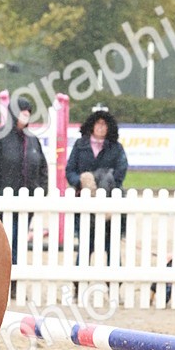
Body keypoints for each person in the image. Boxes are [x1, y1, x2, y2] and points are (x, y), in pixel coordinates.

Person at [0, 96, 49, 264]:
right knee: (5, 242)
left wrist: (41, 190)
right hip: (5, 202)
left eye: (28, 112)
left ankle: (15, 276)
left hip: (27, 203)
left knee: (19, 242)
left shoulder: (32, 140)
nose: (25, 115)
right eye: (22, 112)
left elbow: (42, 167)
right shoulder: (0, 136)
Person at [65, 109, 128, 263]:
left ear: (109, 127)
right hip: (85, 202)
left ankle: (113, 281)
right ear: (91, 126)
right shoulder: (80, 146)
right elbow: (70, 170)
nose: (100, 127)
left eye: (104, 124)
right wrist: (80, 181)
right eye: (97, 124)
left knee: (112, 245)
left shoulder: (116, 148)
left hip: (109, 203)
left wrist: (108, 183)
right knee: (85, 245)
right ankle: (79, 282)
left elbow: (122, 170)